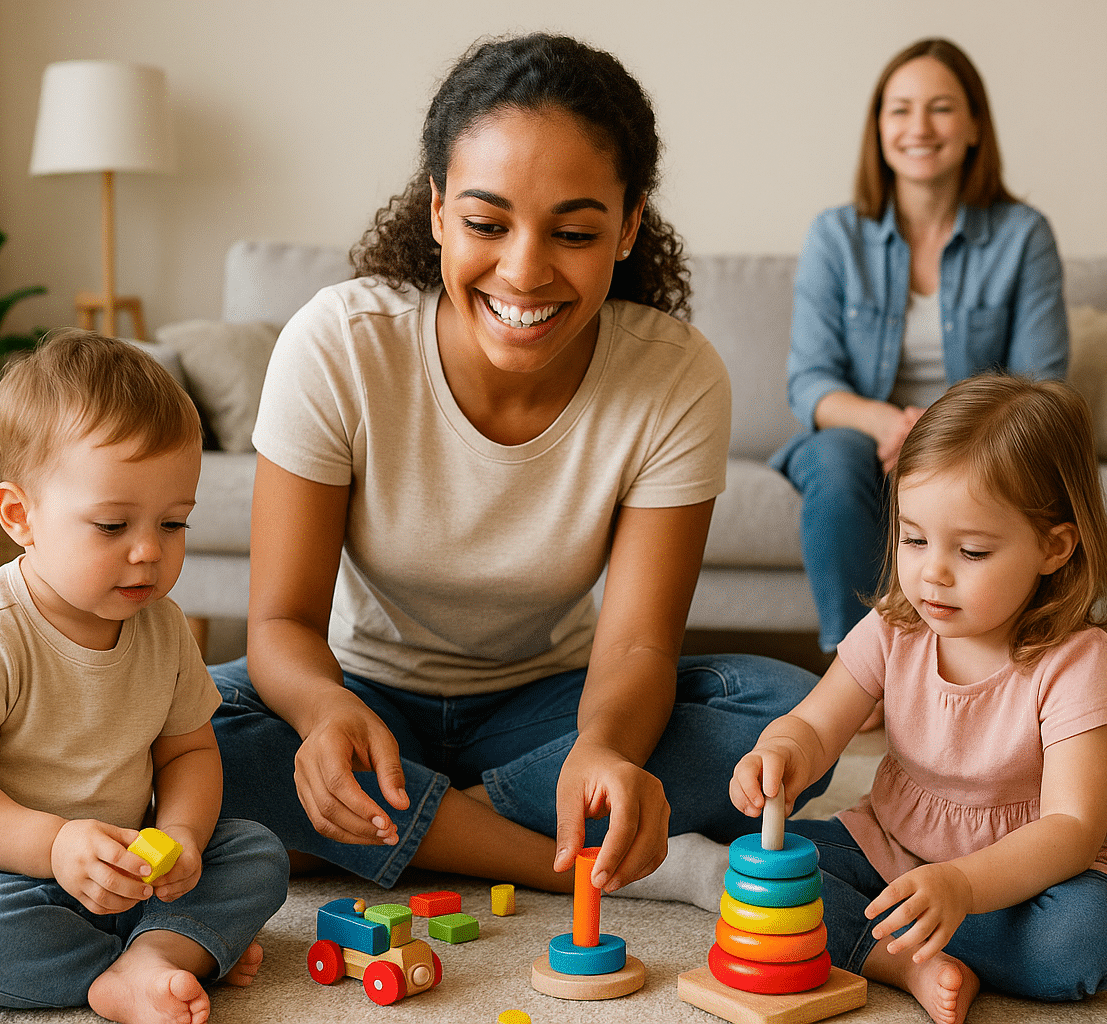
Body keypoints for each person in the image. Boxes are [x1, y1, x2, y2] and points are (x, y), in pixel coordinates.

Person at [209, 32, 828, 906]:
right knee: (169, 737)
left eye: (573, 231)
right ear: (435, 211)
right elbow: (280, 621)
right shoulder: (340, 344)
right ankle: (545, 850)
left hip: (554, 709)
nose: (525, 271)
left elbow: (640, 644)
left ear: (629, 226)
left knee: (783, 717)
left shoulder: (674, 374)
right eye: (485, 223)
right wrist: (320, 714)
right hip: (361, 697)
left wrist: (605, 748)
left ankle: (380, 832)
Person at [732, 374, 1107, 1024]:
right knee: (764, 874)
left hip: (1038, 878)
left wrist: (961, 887)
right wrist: (781, 752)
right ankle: (900, 955)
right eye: (913, 539)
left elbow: (1072, 832)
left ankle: (884, 933)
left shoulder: (1077, 659)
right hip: (897, 848)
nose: (931, 572)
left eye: (971, 550)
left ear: (1053, 547)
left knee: (1089, 938)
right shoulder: (894, 626)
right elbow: (815, 724)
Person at [0, 331, 290, 1024]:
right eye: (112, 526)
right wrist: (52, 845)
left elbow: (190, 752)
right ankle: (151, 959)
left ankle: (156, 951)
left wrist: (183, 836)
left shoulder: (164, 628)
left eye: (174, 524)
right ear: (22, 516)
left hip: (129, 862)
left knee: (255, 852)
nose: (149, 552)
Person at [771, 38, 1070, 661]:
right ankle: (858, 665)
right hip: (862, 440)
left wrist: (937, 432)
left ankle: (977, 658)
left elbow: (1041, 385)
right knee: (835, 458)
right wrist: (888, 422)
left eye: (940, 108)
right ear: (878, 127)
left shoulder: (1023, 236)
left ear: (974, 127)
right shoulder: (835, 235)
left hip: (978, 437)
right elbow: (810, 382)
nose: (918, 127)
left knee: (996, 467)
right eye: (899, 109)